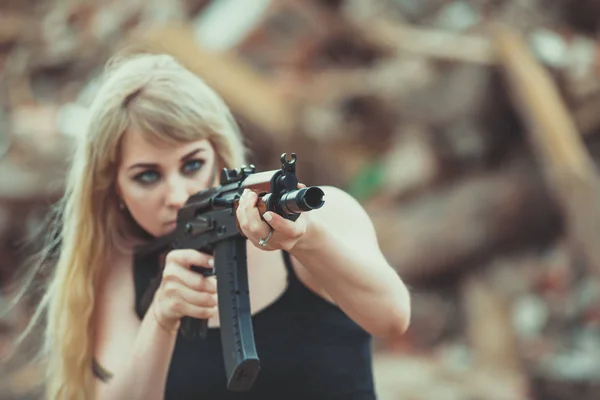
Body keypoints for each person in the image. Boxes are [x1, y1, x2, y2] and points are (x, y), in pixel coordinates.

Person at [29, 52, 411, 400]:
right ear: (113, 188)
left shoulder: (324, 214)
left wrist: (308, 240)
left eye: (192, 164)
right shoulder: (123, 272)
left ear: (217, 153)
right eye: (147, 176)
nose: (177, 194)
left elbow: (392, 317)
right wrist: (161, 320)